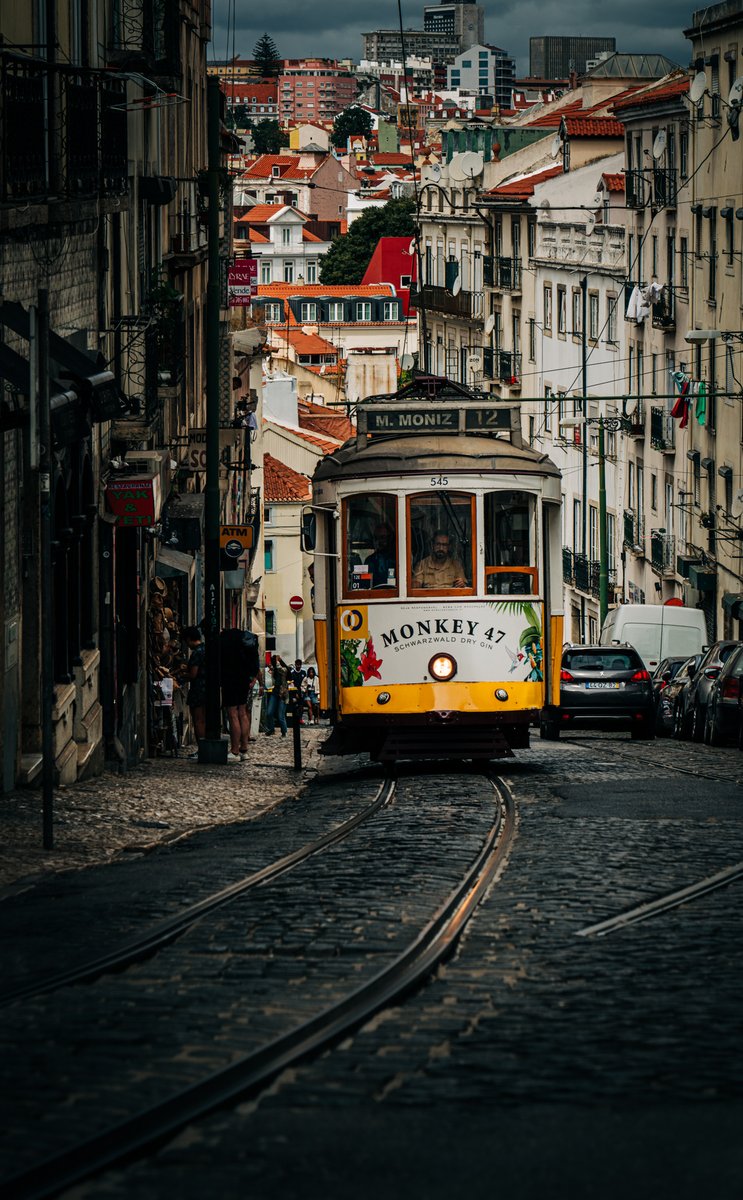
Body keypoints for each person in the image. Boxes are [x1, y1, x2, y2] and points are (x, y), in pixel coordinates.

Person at [220, 627, 260, 763]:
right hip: (244, 680)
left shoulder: (225, 640)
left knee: (232, 714)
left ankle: (234, 751)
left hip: (230, 680)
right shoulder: (244, 639)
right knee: (242, 713)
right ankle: (244, 749)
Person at [183, 626, 206, 754]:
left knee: (198, 720)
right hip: (207, 689)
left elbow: (193, 674)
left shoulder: (197, 652)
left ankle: (201, 749)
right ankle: (205, 748)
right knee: (204, 720)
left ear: (189, 639)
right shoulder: (206, 649)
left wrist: (182, 674)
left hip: (198, 689)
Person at [265, 654, 289, 737]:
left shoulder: (284, 669)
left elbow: (281, 669)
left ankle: (284, 731)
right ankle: (271, 729)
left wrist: (279, 660)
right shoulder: (275, 670)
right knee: (269, 713)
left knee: (280, 715)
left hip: (283, 693)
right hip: (275, 692)